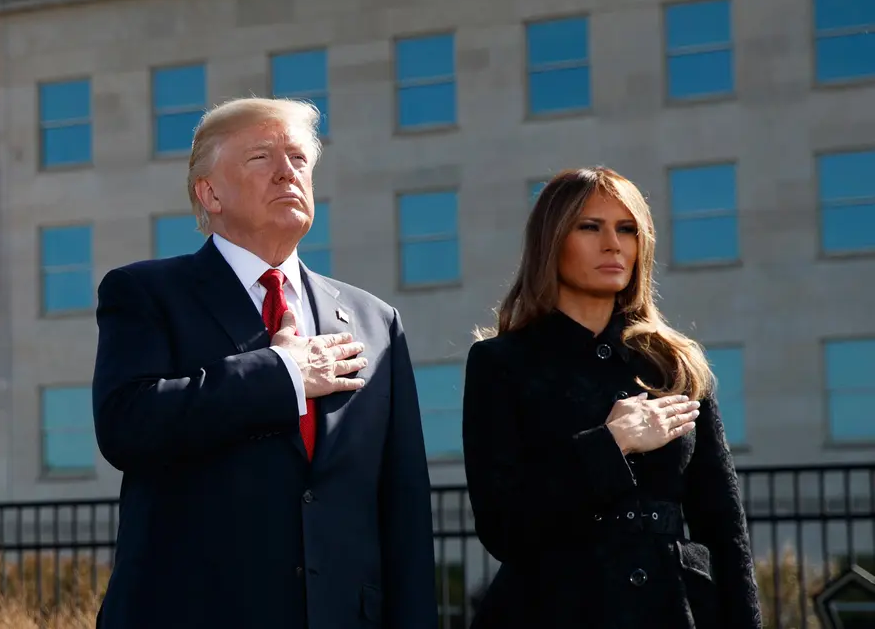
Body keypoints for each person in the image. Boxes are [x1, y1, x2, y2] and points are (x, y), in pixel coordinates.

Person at [91, 97, 438, 629]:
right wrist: (282, 375)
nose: (286, 173)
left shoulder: (374, 319)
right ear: (210, 192)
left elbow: (404, 505)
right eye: (261, 159)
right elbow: (126, 425)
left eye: (298, 159)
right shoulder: (146, 293)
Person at [461, 167, 761, 629]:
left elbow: (724, 527)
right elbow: (503, 527)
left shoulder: (674, 363)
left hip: (674, 610)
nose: (613, 244)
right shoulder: (502, 362)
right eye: (590, 227)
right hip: (555, 610)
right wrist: (609, 444)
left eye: (627, 229)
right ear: (552, 240)